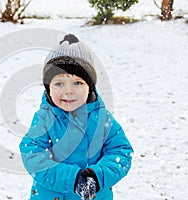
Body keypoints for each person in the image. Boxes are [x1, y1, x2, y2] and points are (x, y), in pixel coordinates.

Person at [19, 34, 133, 200]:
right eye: (59, 83)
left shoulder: (102, 118)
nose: (68, 91)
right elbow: (32, 154)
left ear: (90, 88)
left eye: (78, 83)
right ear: (48, 88)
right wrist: (72, 178)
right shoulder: (45, 118)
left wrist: (98, 176)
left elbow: (121, 152)